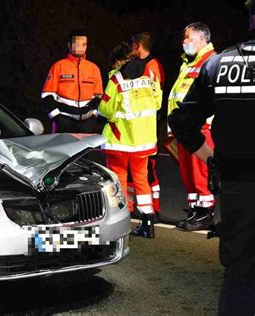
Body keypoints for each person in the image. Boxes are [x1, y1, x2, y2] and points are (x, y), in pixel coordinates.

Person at [168, 3, 255, 313]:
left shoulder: (219, 63)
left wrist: (212, 159)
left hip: (236, 188)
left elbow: (181, 122)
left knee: (239, 276)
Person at [99, 44, 162, 238]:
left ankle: (121, 222)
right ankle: (147, 221)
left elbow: (106, 109)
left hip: (119, 141)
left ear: (118, 62)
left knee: (118, 181)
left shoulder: (116, 79)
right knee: (141, 181)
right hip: (144, 141)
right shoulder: (150, 76)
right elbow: (158, 103)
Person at [167, 22, 217, 231]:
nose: (184, 42)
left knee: (201, 173)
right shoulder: (189, 62)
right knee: (189, 173)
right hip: (186, 127)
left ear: (201, 39)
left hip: (201, 127)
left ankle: (206, 212)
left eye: (188, 37)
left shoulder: (211, 61)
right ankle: (196, 208)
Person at [127, 32, 166, 220]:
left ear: (138, 46)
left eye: (132, 45)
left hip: (147, 128)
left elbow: (153, 98)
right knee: (140, 171)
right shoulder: (149, 65)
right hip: (142, 127)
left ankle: (153, 208)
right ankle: (138, 206)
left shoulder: (151, 67)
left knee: (148, 171)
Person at [42, 29, 103, 133]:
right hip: (64, 120)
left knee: (85, 149)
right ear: (69, 45)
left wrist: (93, 115)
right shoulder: (58, 66)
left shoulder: (94, 68)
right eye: (77, 44)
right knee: (61, 149)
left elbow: (99, 96)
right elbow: (47, 95)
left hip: (86, 122)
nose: (81, 48)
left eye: (84, 44)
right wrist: (56, 117)